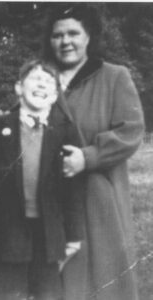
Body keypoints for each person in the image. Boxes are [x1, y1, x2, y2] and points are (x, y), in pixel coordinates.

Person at [41, 4, 145, 300]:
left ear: (89, 37)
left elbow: (131, 129)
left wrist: (87, 157)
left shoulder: (114, 76)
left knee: (102, 282)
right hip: (51, 199)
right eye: (57, 35)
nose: (65, 41)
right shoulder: (40, 79)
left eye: (74, 33)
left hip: (99, 202)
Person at [0, 59, 85, 300]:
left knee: (48, 294)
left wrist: (73, 234)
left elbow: (74, 188)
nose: (42, 84)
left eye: (49, 82)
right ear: (19, 88)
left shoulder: (66, 129)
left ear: (55, 95)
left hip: (48, 233)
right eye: (35, 79)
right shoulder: (0, 126)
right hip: (7, 232)